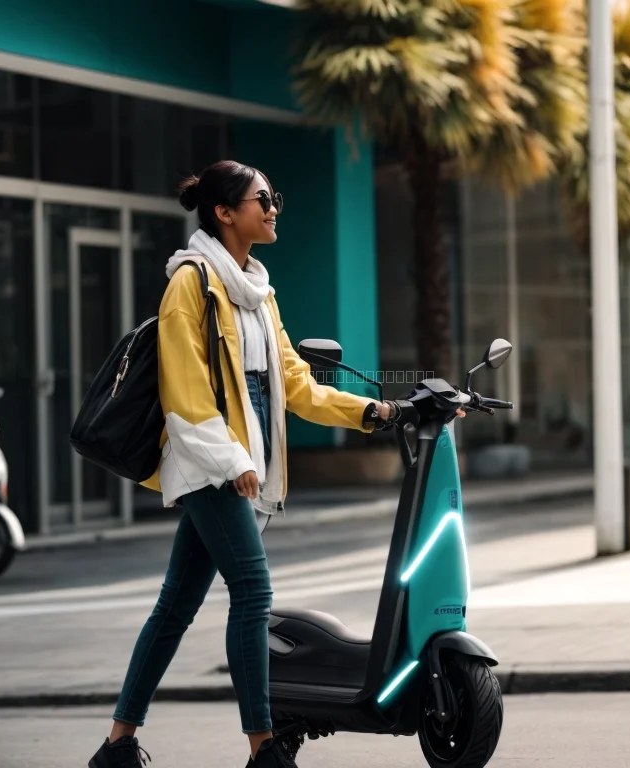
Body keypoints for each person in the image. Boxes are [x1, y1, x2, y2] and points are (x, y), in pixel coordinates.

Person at [87, 160, 400, 768]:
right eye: (263, 198)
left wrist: (375, 412)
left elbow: (296, 386)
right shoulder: (191, 284)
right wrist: (231, 462)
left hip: (238, 463)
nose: (273, 206)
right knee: (253, 593)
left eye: (273, 196)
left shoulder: (257, 289)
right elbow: (185, 393)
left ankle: (117, 747)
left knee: (176, 605)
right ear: (225, 213)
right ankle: (264, 749)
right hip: (209, 463)